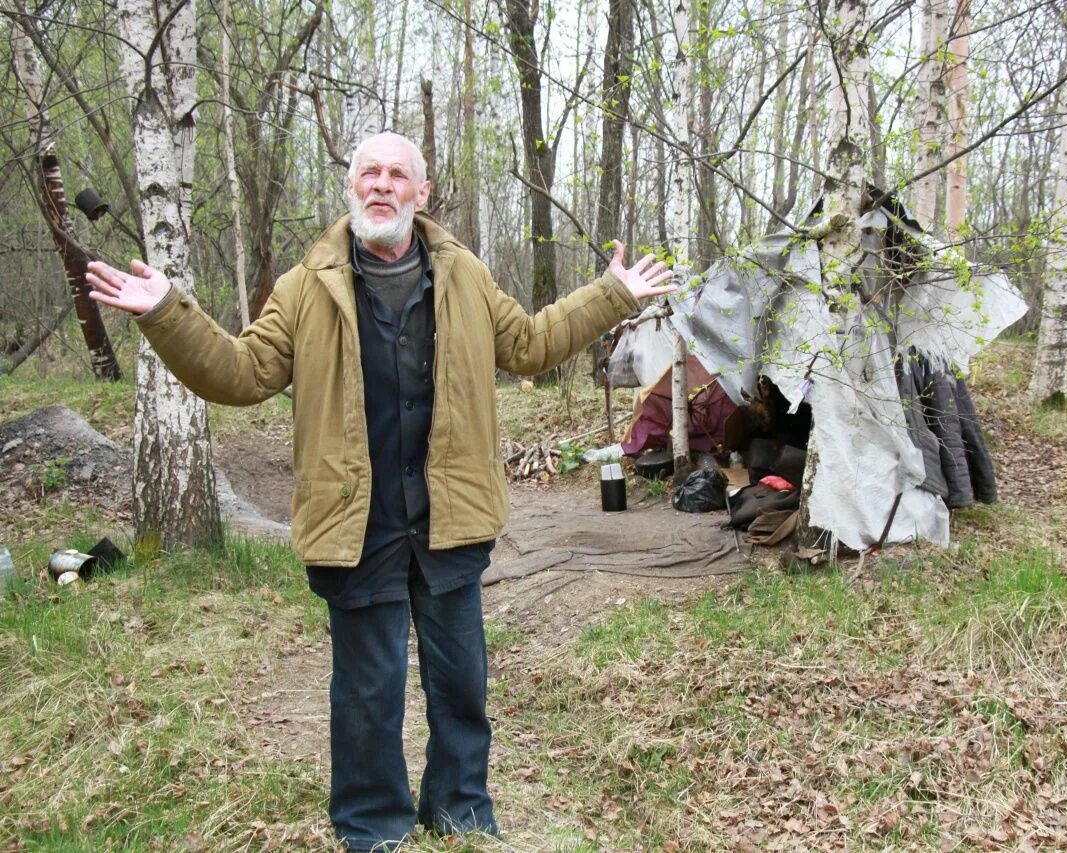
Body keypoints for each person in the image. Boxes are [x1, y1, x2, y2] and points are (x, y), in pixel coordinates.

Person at [86, 131, 674, 850]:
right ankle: (371, 825)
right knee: (367, 693)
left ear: (422, 193)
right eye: (370, 173)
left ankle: (460, 810)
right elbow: (239, 373)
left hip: (450, 515)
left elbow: (529, 343)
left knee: (461, 686)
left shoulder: (464, 275)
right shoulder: (306, 287)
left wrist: (611, 295)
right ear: (351, 188)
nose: (382, 186)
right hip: (353, 519)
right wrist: (166, 312)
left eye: (399, 175)